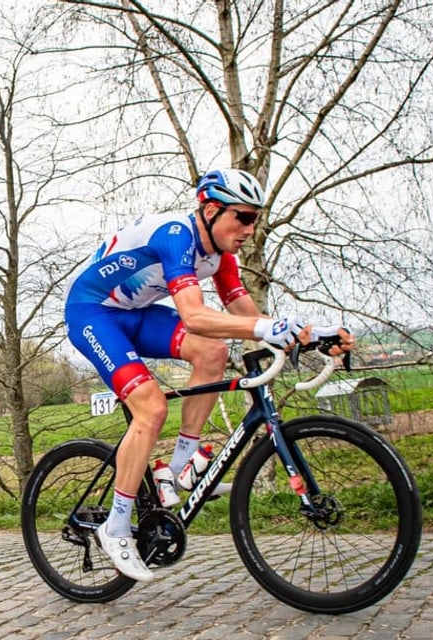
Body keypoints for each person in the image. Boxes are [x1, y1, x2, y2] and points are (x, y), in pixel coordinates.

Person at [63, 168, 354, 582]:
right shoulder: (177, 236)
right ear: (212, 209)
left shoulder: (220, 255)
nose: (251, 229)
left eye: (257, 218)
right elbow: (195, 315)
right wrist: (267, 329)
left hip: (135, 314)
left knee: (213, 352)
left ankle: (183, 465)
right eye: (245, 217)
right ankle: (116, 526)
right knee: (150, 406)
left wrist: (309, 335)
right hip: (92, 313)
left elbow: (250, 317)